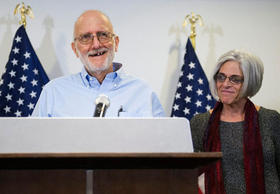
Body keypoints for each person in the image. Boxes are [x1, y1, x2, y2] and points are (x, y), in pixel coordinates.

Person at [32, 10, 165, 117]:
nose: (96, 44)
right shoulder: (53, 93)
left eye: (103, 35)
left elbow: (164, 147)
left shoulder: (143, 93)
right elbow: (33, 146)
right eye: (85, 37)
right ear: (75, 49)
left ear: (116, 43)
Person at [190, 50, 280, 194]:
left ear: (250, 82)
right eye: (221, 77)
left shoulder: (270, 119)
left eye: (235, 79)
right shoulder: (200, 123)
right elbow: (190, 176)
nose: (225, 84)